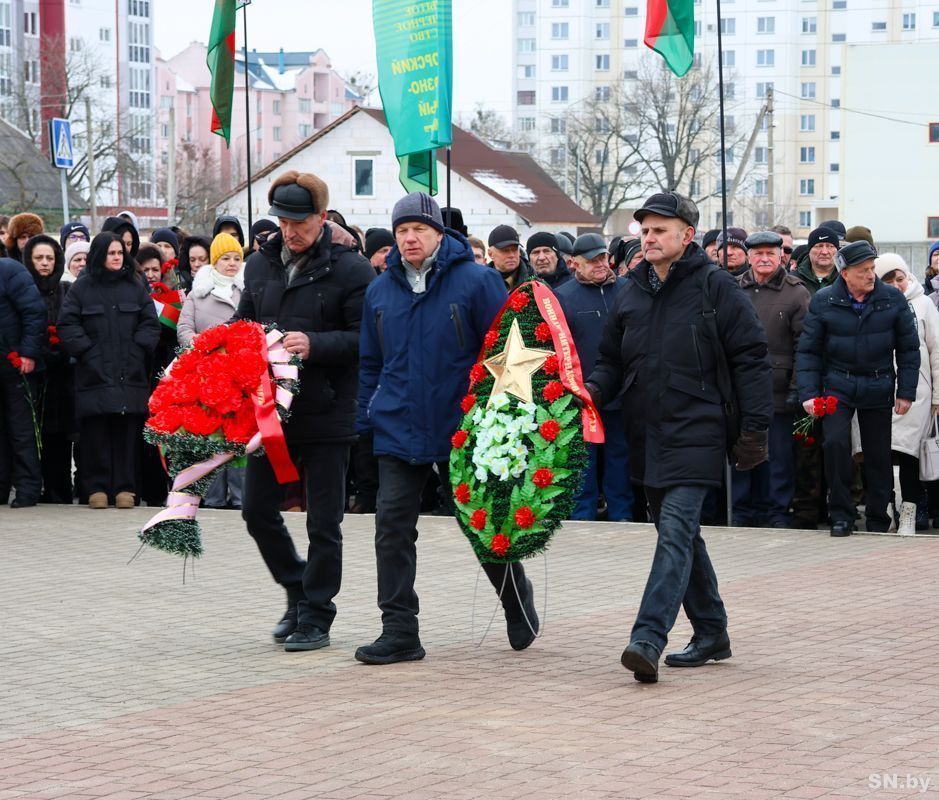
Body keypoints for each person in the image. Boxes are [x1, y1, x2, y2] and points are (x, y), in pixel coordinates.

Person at [586, 191, 771, 683]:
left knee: (674, 532)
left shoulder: (716, 287)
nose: (649, 238)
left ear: (687, 235)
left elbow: (751, 358)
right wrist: (592, 391)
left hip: (700, 429)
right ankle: (712, 632)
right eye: (644, 230)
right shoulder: (630, 291)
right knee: (683, 535)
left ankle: (647, 638)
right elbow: (610, 360)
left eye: (659, 230)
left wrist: (754, 429)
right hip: (646, 432)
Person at [356, 191, 539, 664]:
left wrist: (505, 417)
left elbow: (508, 351)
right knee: (391, 527)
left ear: (439, 233)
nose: (409, 238)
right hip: (397, 424)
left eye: (419, 229)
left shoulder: (477, 281)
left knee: (480, 523)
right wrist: (364, 418)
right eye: (401, 231)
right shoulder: (380, 291)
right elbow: (370, 363)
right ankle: (399, 630)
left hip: (464, 425)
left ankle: (516, 601)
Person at [233, 170, 376, 652]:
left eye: (299, 222)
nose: (289, 231)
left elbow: (367, 339)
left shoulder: (352, 270)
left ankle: (317, 615)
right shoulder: (260, 264)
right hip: (269, 413)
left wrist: (315, 344)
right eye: (282, 221)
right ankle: (296, 586)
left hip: (327, 411)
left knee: (323, 524)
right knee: (256, 511)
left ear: (321, 217)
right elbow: (243, 324)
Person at [796, 241, 920, 536]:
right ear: (845, 273)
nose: (870, 275)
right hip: (838, 384)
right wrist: (809, 394)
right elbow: (809, 351)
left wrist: (906, 392)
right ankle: (841, 514)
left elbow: (908, 348)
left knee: (878, 454)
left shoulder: (891, 298)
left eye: (871, 268)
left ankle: (878, 518)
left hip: (878, 383)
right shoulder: (825, 300)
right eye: (863, 270)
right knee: (835, 444)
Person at [57, 232, 160, 509]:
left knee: (126, 434)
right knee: (95, 433)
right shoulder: (82, 287)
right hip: (94, 373)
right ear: (100, 255)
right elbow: (67, 325)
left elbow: (150, 323)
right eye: (111, 253)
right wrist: (87, 352)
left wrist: (138, 350)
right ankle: (97, 488)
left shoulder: (135, 286)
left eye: (119, 253)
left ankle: (125, 488)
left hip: (129, 372)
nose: (116, 258)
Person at [733, 231, 810, 528]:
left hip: (778, 388)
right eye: (758, 254)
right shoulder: (734, 289)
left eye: (770, 254)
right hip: (740, 388)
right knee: (743, 451)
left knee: (778, 457)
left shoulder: (797, 293)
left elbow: (805, 345)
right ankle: (741, 511)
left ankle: (778, 511)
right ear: (749, 257)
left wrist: (796, 387)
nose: (764, 259)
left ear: (781, 257)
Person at [556, 233, 632, 521]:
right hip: (581, 397)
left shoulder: (627, 289)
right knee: (583, 464)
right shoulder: (563, 297)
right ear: (575, 263)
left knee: (619, 461)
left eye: (602, 258)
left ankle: (621, 516)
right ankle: (582, 518)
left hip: (622, 394)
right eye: (592, 260)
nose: (600, 264)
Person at [177, 232, 247, 509]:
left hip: (241, 375)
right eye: (225, 258)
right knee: (212, 434)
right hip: (207, 375)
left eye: (237, 258)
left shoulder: (246, 291)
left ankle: (241, 497)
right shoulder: (198, 293)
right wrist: (201, 345)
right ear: (214, 261)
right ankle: (214, 496)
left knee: (239, 435)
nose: (232, 264)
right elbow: (184, 328)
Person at [872, 254, 939, 534]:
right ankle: (887, 507)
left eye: (899, 278)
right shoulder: (872, 304)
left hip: (916, 393)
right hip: (879, 389)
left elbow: (936, 349)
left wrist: (937, 396)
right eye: (888, 280)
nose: (896, 285)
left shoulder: (923, 304)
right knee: (881, 453)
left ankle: (910, 509)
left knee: (910, 453)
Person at [790, 226, 842, 528]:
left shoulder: (845, 280)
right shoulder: (795, 281)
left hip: (839, 372)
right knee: (805, 443)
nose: (824, 252)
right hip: (805, 372)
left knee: (837, 444)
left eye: (830, 247)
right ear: (809, 251)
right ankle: (807, 509)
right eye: (818, 247)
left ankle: (840, 506)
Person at [23, 234, 76, 504]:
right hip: (35, 371)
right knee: (38, 433)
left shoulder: (67, 289)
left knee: (63, 434)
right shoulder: (24, 291)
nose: (44, 263)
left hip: (65, 373)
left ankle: (62, 488)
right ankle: (43, 486)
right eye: (38, 258)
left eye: (49, 258)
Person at [0, 254, 46, 507]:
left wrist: (28, 353)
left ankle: (28, 489)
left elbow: (34, 313)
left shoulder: (9, 270)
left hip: (15, 365)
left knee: (22, 431)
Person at [488, 225, 532, 290]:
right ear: (490, 254)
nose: (511, 255)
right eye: (505, 250)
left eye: (515, 249)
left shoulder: (535, 284)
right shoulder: (481, 283)